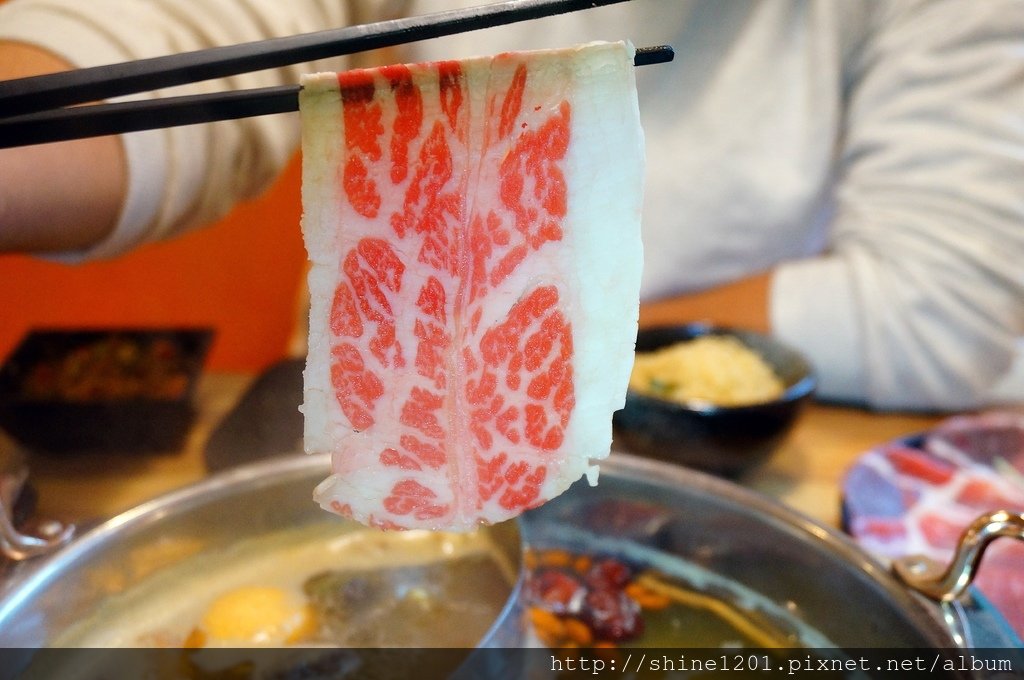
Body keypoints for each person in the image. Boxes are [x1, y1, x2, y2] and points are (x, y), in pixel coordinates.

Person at [1, 0, 1022, 412]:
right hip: (395, 405)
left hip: (741, 447)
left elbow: (936, 310)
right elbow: (160, 49)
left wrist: (499, 361)